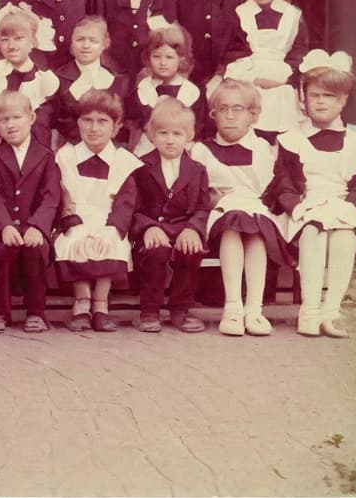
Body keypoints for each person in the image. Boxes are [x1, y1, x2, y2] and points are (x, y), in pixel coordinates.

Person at [271, 51, 356, 338]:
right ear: (303, 99)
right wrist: (297, 207)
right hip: (305, 208)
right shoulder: (291, 138)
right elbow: (284, 184)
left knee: (343, 236)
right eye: (314, 95)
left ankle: (331, 312)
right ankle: (309, 311)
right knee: (312, 232)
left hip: (343, 207)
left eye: (329, 95)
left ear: (342, 100)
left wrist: (345, 209)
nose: (321, 101)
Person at [190, 79, 291, 336]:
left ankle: (254, 309)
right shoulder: (201, 150)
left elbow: (275, 186)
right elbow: (198, 192)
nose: (230, 116)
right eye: (223, 109)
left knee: (253, 228)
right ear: (213, 114)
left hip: (258, 211)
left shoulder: (265, 148)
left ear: (253, 115)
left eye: (238, 109)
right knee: (234, 223)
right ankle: (233, 307)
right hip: (220, 213)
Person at [54, 89, 141, 333]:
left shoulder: (124, 161)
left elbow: (126, 202)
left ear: (116, 127)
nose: (94, 128)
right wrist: (71, 221)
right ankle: (81, 302)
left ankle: (101, 304)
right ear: (78, 123)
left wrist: (112, 230)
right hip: (75, 219)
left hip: (109, 220)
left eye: (102, 121)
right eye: (87, 120)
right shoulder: (66, 156)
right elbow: (62, 195)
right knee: (77, 241)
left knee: (109, 244)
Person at [0, 91, 61, 334]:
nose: (11, 125)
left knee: (36, 250)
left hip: (33, 225)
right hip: (4, 228)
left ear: (31, 117)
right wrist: (3, 225)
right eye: (3, 120)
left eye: (16, 117)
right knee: (4, 250)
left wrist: (38, 226)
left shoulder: (46, 155)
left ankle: (36, 312)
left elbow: (51, 196)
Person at [130, 98, 210, 334]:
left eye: (177, 133)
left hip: (184, 227)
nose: (170, 139)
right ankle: (150, 311)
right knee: (156, 251)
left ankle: (180, 309)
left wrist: (193, 228)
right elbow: (132, 208)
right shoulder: (140, 167)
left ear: (190, 136)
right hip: (153, 228)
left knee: (191, 249)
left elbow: (203, 207)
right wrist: (147, 227)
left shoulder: (197, 170)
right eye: (163, 133)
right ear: (151, 136)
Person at [222, 0, 308, 138]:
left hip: (283, 80)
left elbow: (299, 53)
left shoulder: (292, 15)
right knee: (251, 133)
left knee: (284, 135)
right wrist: (254, 78)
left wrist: (284, 76)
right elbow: (234, 52)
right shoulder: (239, 14)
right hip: (250, 80)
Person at [0, 6, 59, 148]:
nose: (11, 46)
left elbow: (46, 127)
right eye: (5, 39)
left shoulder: (44, 81)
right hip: (0, 152)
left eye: (19, 38)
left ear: (32, 42)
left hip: (36, 154)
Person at [125, 23, 205, 156]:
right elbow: (131, 125)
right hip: (145, 151)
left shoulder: (192, 93)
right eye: (156, 56)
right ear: (148, 58)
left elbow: (199, 130)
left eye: (169, 57)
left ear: (181, 59)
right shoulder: (141, 91)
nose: (163, 63)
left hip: (181, 152)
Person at [52, 15, 130, 146]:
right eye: (80, 39)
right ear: (71, 43)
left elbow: (122, 123)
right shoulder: (58, 78)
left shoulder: (118, 78)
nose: (86, 45)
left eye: (93, 41)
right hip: (71, 146)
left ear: (104, 44)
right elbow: (58, 120)